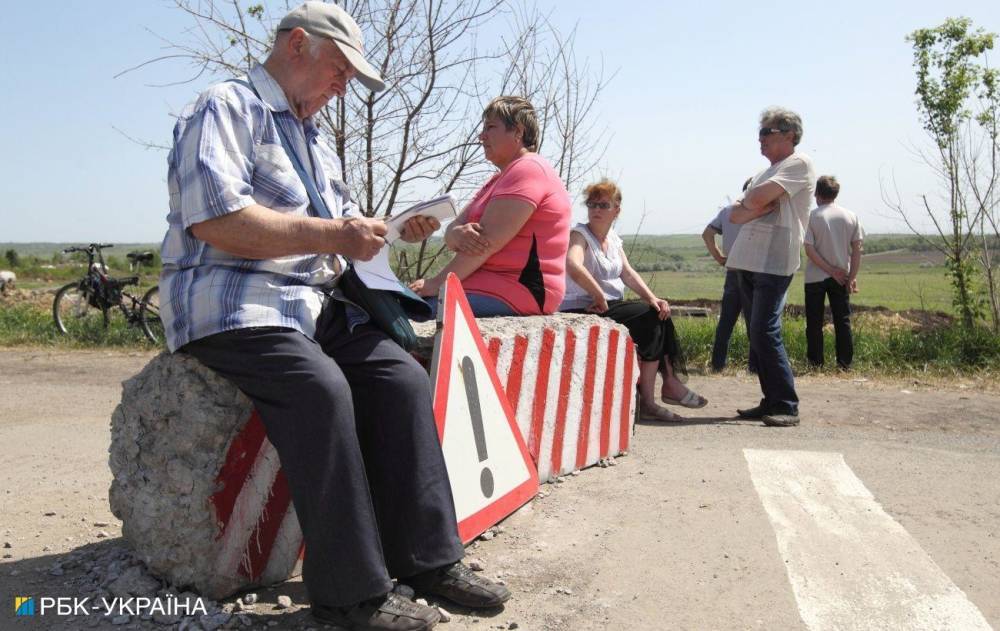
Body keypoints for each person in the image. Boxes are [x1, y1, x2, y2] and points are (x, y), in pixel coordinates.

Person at [159, 3, 508, 629]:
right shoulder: (224, 107)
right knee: (320, 390)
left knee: (401, 380)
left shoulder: (314, 137)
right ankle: (351, 597)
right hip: (234, 302)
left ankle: (426, 559)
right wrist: (334, 234)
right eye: (341, 69)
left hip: (311, 303)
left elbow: (341, 232)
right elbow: (216, 220)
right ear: (297, 44)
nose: (344, 86)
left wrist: (395, 230)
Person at [559, 179, 707, 422]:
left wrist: (653, 298)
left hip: (608, 304)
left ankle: (662, 388)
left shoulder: (614, 240)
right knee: (650, 316)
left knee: (657, 311)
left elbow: (627, 273)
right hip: (583, 305)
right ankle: (660, 392)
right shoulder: (580, 234)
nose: (596, 209)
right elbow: (572, 264)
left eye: (603, 205)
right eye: (592, 204)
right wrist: (597, 293)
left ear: (616, 210)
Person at [410, 96, 572, 315]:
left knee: (414, 312)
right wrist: (457, 234)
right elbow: (453, 229)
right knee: (394, 301)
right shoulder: (496, 180)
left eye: (491, 127)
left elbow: (485, 244)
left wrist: (437, 283)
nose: (481, 136)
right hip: (489, 284)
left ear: (518, 132)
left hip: (518, 289)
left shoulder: (529, 168)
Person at [726, 107, 817, 428]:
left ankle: (786, 404)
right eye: (760, 133)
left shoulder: (798, 163)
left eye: (767, 133)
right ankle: (770, 400)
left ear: (789, 135)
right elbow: (734, 215)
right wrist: (758, 202)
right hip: (749, 259)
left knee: (765, 329)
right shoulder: (768, 171)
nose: (760, 139)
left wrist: (755, 200)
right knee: (756, 332)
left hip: (775, 259)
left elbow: (752, 200)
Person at [803, 175, 864, 369]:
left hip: (815, 276)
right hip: (842, 276)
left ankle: (815, 363)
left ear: (817, 193)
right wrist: (851, 276)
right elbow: (857, 250)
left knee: (814, 321)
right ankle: (844, 363)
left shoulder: (812, 217)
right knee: (842, 320)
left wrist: (829, 270)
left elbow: (809, 250)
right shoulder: (850, 216)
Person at [702, 178, 756, 373]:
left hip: (733, 270)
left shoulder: (727, 211)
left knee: (726, 321)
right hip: (754, 271)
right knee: (754, 322)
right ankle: (755, 366)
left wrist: (719, 257)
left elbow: (707, 234)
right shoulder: (760, 210)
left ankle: (718, 364)